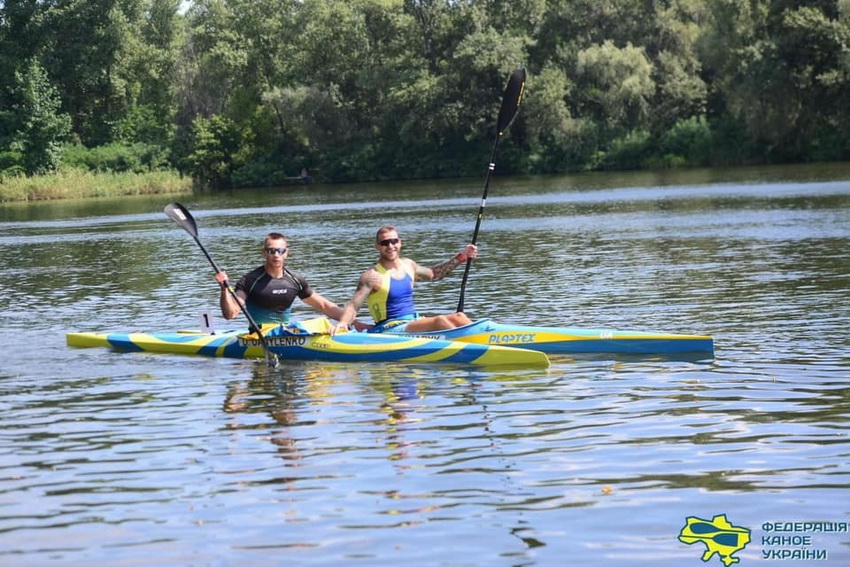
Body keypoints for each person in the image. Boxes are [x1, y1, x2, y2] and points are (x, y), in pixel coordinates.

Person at [331, 225, 478, 334]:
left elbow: (434, 274)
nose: (390, 246)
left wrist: (461, 257)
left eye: (394, 241)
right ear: (377, 247)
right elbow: (353, 305)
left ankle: (486, 339)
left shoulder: (408, 265)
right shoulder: (371, 276)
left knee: (459, 316)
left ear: (400, 243)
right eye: (385, 243)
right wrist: (343, 323)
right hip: (389, 328)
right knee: (440, 321)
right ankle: (475, 348)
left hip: (414, 321)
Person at [214, 232, 368, 330]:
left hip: (287, 333)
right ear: (264, 253)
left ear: (286, 253)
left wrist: (354, 322)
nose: (276, 255)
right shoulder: (250, 280)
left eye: (280, 251)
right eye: (271, 251)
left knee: (321, 322)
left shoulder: (295, 280)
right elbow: (231, 314)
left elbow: (324, 306)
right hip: (259, 335)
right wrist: (223, 290)